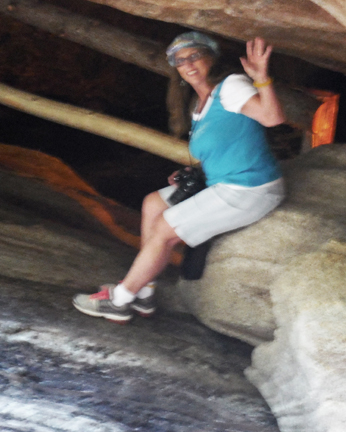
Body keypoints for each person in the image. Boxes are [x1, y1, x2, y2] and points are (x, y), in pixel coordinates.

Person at [73, 31, 286, 324]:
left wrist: (262, 78)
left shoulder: (231, 86)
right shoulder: (199, 105)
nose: (187, 64)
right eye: (179, 60)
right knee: (153, 203)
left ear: (212, 57)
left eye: (195, 55)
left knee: (163, 230)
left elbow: (271, 118)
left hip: (250, 189)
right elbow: (227, 142)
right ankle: (145, 292)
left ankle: (120, 300)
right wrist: (196, 173)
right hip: (221, 181)